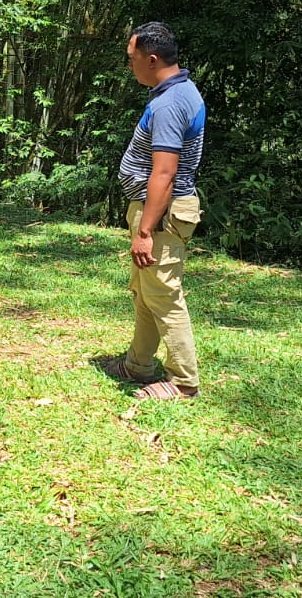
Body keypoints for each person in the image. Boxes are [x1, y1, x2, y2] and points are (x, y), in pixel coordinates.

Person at [116, 21, 206, 400]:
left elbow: (164, 173)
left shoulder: (170, 103)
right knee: (146, 292)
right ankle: (138, 364)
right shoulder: (179, 91)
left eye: (132, 59)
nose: (130, 65)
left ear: (152, 60)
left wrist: (145, 231)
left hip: (163, 216)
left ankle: (184, 381)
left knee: (164, 295)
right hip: (160, 214)